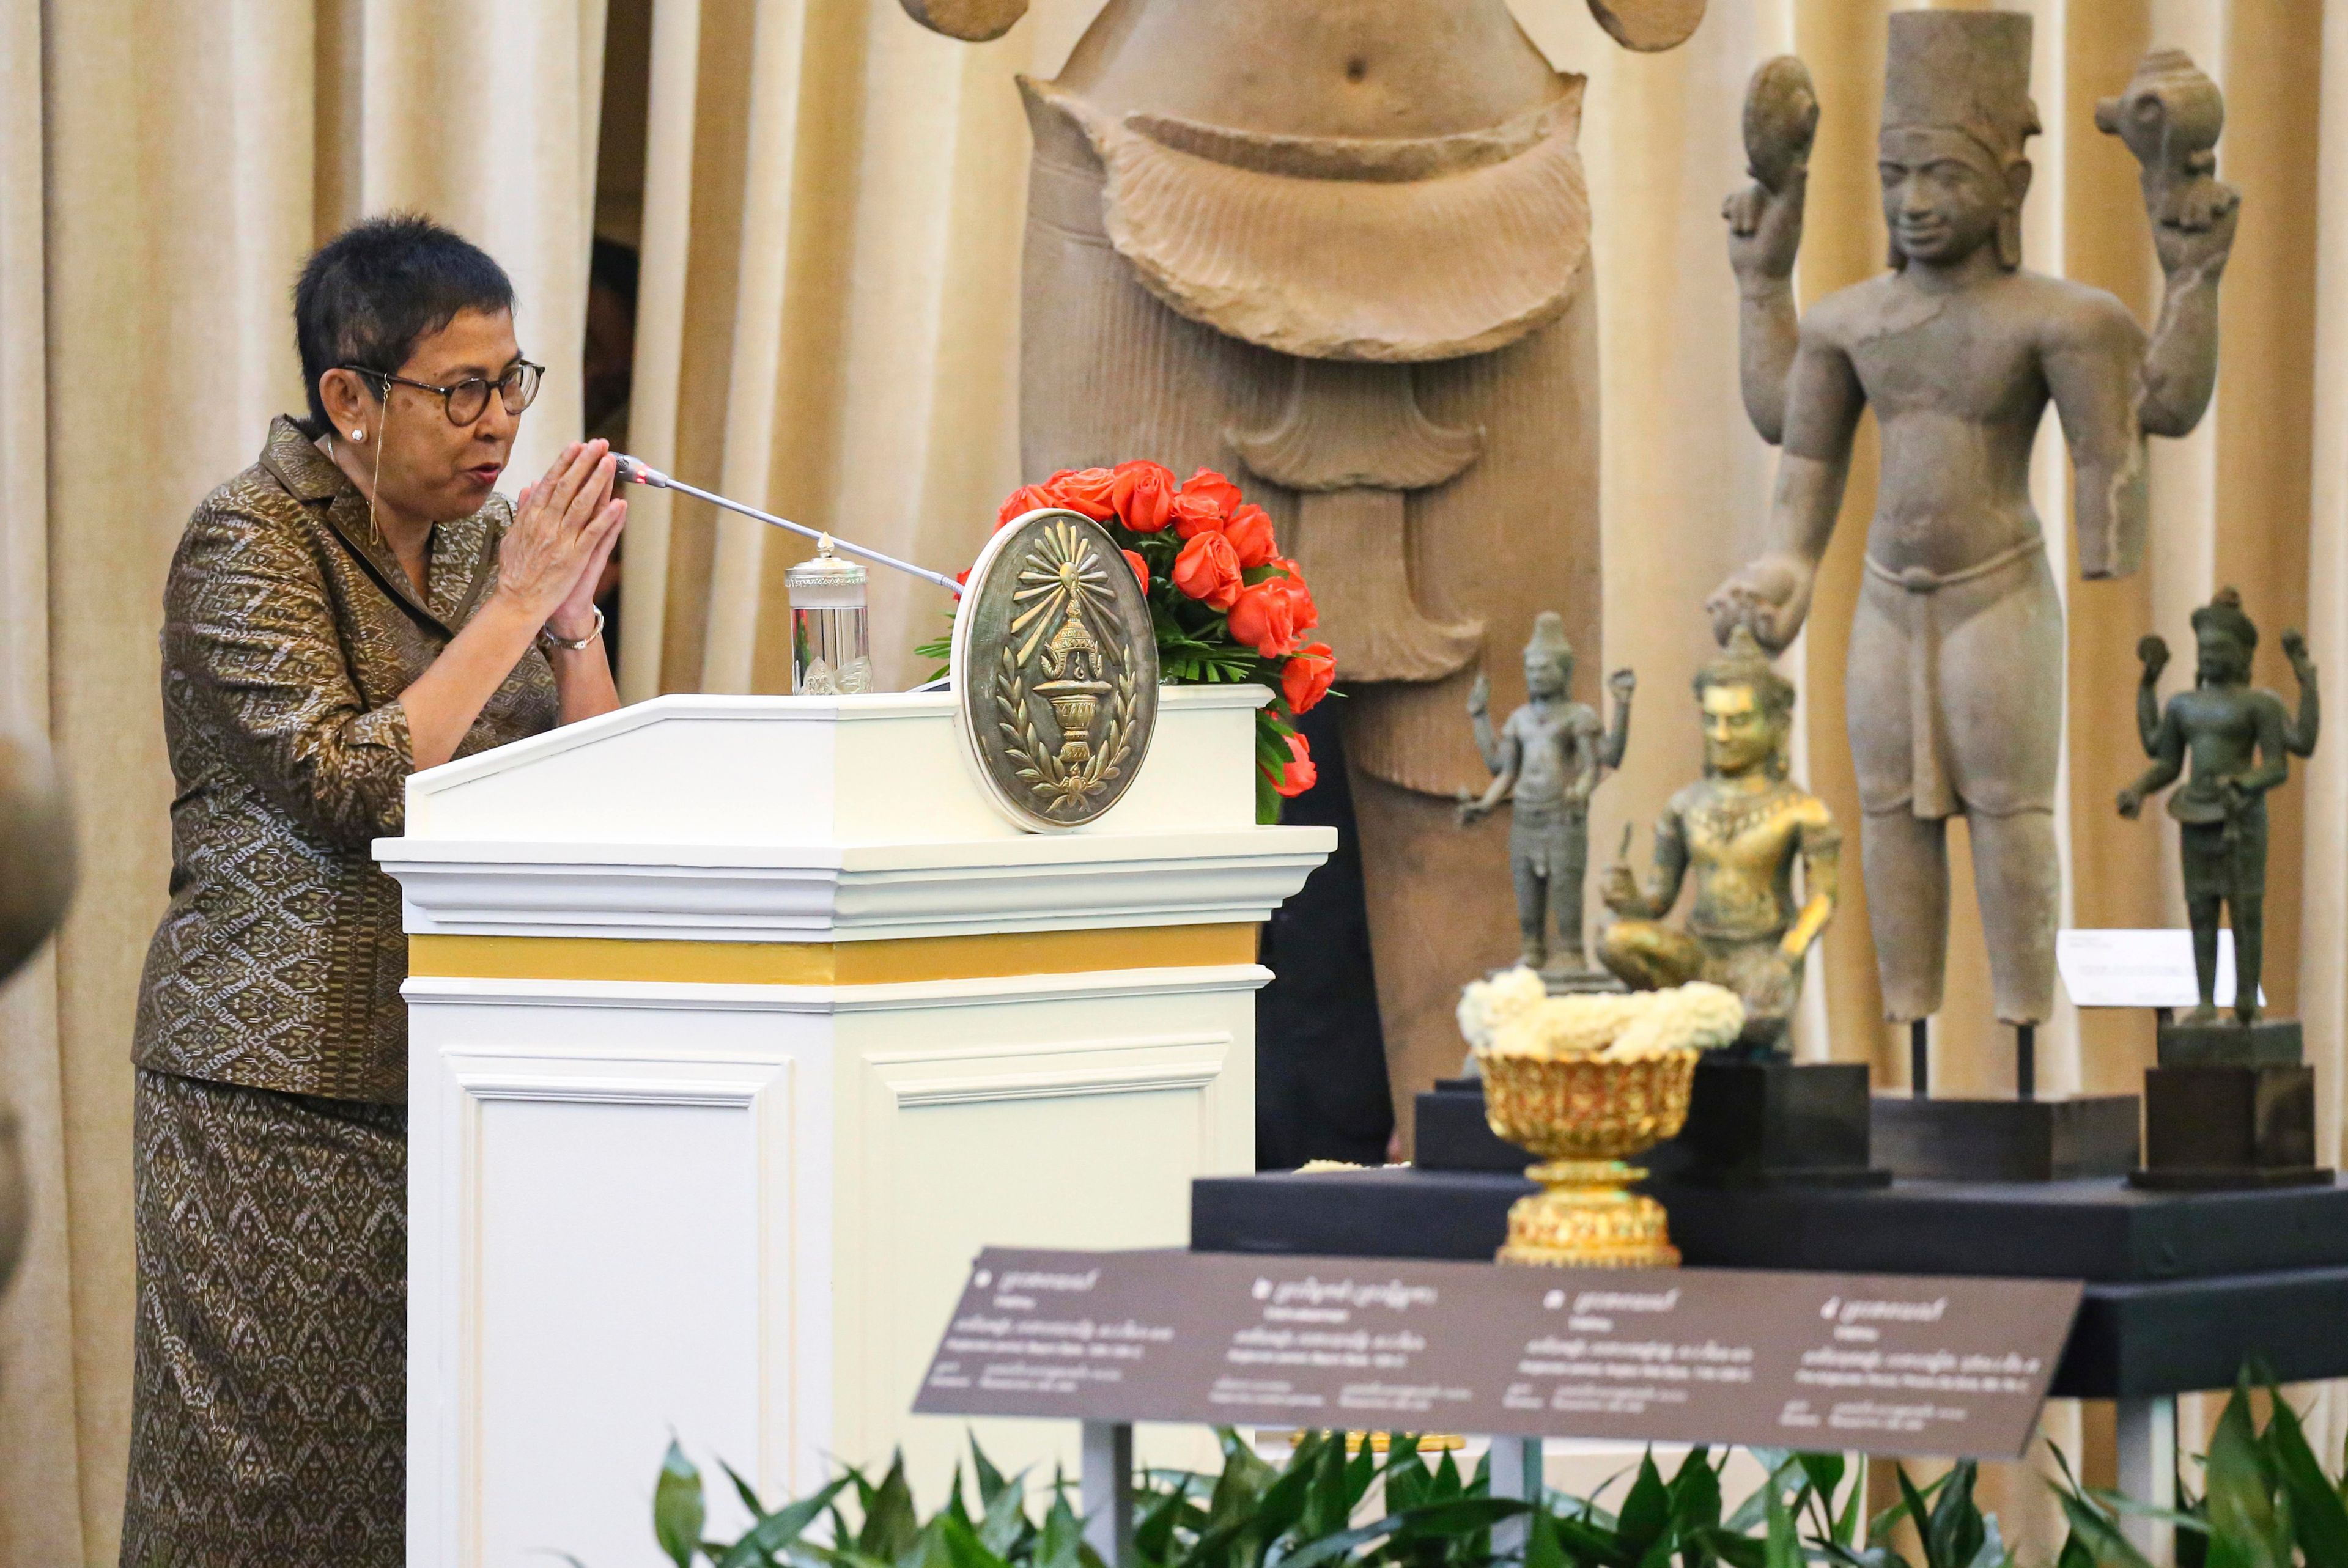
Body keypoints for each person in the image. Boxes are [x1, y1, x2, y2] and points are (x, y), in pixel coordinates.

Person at [123, 214, 625, 1567]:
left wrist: (571, 624)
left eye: (512, 382)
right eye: (461, 391)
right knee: (262, 1496)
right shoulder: (246, 537)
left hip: (467, 1082)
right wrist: (519, 609)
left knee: (447, 1485)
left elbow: (585, 796)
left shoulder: (486, 549)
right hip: (274, 1102)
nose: (499, 427)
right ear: (350, 396)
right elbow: (352, 784)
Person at [1707, 12, 2234, 1035]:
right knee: (1891, 812)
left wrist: (2195, 279)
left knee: (2009, 812)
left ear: (2013, 189)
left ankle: (2024, 1022)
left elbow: (2161, 404)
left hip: (1998, 587)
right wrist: (1761, 283)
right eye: (1896, 175)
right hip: (1884, 596)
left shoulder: (2058, 318)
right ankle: (1911, 1033)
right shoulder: (1850, 321)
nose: (1915, 204)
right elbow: (1793, 437)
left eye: (1944, 176)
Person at [1597, 626, 1839, 1055]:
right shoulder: (1685, 805)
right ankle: (1693, 1017)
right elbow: (1658, 901)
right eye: (1712, 720)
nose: (1722, 735)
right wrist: (1628, 897)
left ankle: (1700, 1021)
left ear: (1777, 725)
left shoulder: (1800, 810)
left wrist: (1786, 958)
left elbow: (1823, 900)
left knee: (1760, 1023)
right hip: (1696, 954)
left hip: (1761, 956)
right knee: (1614, 940)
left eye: (1739, 720)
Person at [2118, 589, 2319, 1025]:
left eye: (2218, 649)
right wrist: (2138, 787)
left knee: (2245, 908)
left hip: (2241, 819)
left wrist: (2246, 782)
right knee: (2201, 909)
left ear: (2242, 654)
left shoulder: (2259, 704)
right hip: (2196, 814)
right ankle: (2207, 1000)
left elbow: (2287, 758)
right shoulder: (2184, 705)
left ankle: (2246, 997)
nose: (2209, 656)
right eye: (2204, 649)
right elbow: (2164, 756)